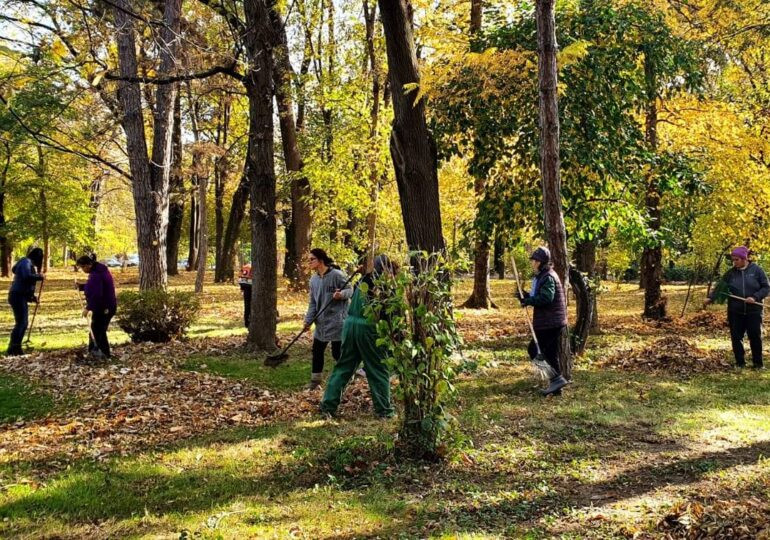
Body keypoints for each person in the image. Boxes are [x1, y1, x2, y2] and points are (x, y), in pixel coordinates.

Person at [320, 255, 395, 418]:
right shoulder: (385, 286)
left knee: (344, 366)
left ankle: (327, 406)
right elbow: (389, 315)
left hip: (349, 326)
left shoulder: (362, 280)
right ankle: (384, 411)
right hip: (369, 328)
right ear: (387, 269)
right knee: (378, 368)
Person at [704, 246, 768, 369]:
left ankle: (758, 364)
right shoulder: (730, 273)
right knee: (736, 337)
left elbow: (766, 287)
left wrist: (755, 297)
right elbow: (720, 287)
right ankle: (740, 363)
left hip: (754, 311)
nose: (734, 262)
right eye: (733, 260)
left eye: (736, 260)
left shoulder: (757, 271)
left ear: (745, 258)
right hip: (735, 311)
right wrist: (711, 298)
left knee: (755, 336)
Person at [519, 246, 570, 396]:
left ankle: (555, 379)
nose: (532, 263)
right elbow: (539, 295)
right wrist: (525, 297)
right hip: (553, 321)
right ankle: (557, 387)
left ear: (540, 262)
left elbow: (547, 298)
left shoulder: (548, 276)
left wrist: (528, 301)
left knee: (534, 350)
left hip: (550, 322)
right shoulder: (543, 275)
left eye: (534, 260)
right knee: (550, 353)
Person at [303, 248, 353, 389]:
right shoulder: (313, 280)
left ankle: (347, 377)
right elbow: (313, 303)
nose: (309, 262)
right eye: (309, 259)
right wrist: (308, 320)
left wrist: (341, 294)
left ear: (320, 260)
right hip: (321, 322)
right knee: (317, 351)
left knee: (337, 353)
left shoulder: (337, 275)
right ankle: (315, 381)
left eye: (312, 259)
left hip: (337, 321)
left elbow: (350, 290)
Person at [76, 254, 117, 359]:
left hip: (105, 307)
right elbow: (93, 287)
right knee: (97, 329)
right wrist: (82, 286)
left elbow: (97, 294)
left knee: (97, 330)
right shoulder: (97, 271)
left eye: (82, 267)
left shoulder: (97, 274)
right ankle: (99, 353)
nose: (82, 270)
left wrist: (88, 308)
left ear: (88, 265)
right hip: (104, 306)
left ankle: (99, 354)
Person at [7, 247, 45, 356]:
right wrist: (39, 276)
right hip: (17, 296)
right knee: (21, 323)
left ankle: (15, 347)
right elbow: (26, 277)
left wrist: (32, 297)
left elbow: (26, 284)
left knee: (22, 323)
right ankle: (14, 348)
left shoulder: (27, 263)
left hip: (20, 296)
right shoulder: (25, 262)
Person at [238, 262, 252, 327]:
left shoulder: (244, 267)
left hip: (245, 286)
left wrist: (242, 288)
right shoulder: (253, 267)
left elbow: (240, 277)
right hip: (251, 287)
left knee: (247, 305)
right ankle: (250, 320)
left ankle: (246, 322)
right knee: (251, 304)